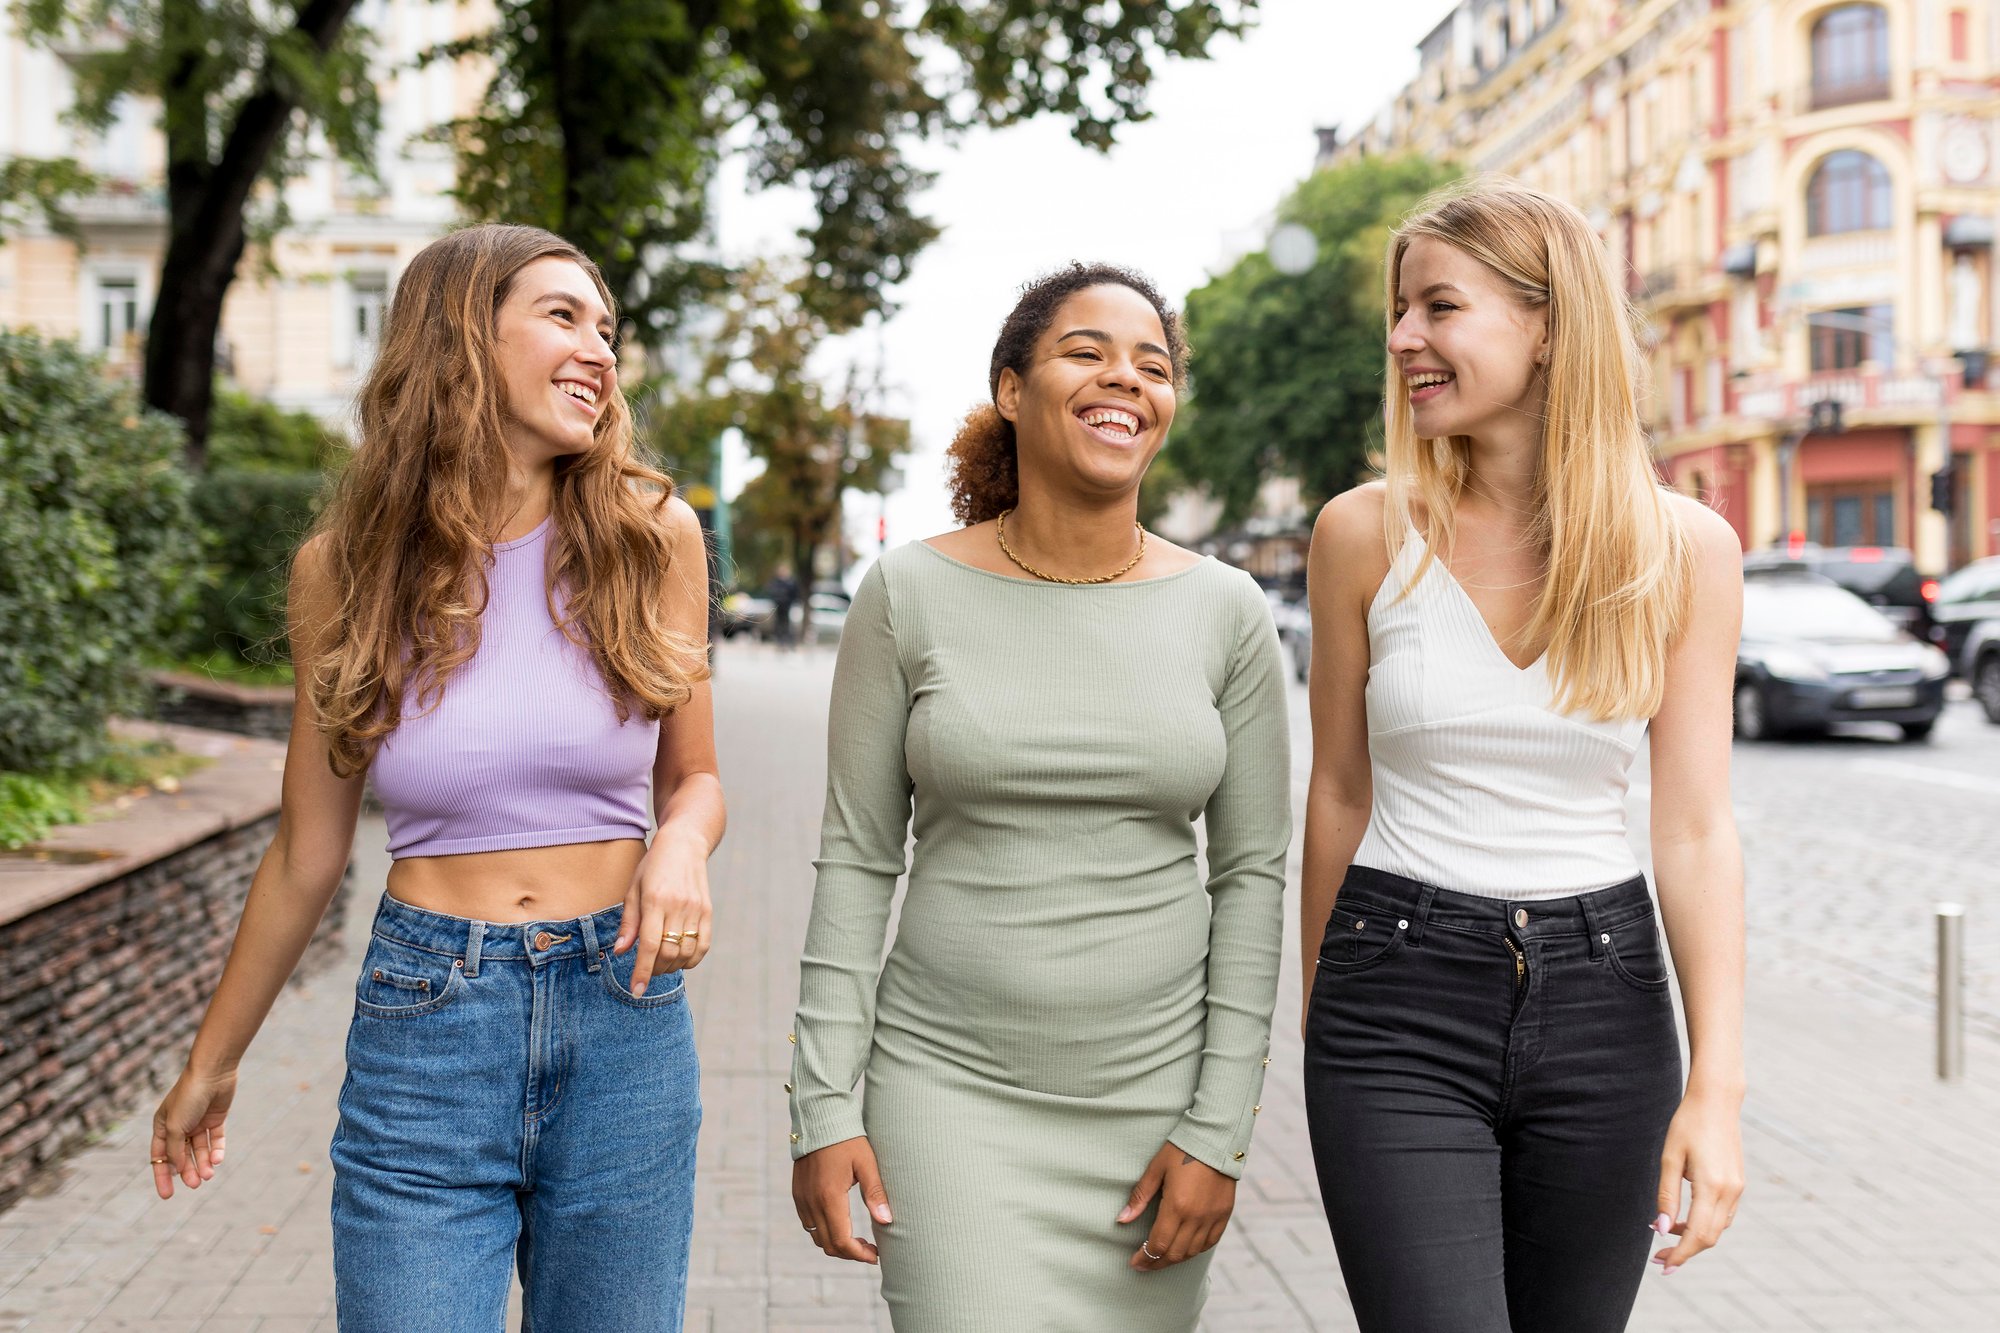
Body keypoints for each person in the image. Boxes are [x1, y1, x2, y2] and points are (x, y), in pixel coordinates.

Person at [147, 224, 724, 1332]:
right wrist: (214, 1061)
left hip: (623, 1014)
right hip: (427, 1023)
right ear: (463, 336)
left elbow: (694, 777)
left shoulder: (653, 535)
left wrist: (683, 846)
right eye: (562, 316)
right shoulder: (345, 569)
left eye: (606, 328)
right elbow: (306, 849)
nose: (599, 349)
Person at [787, 263, 1290, 1331]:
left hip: (1154, 1108)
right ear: (1010, 389)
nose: (1125, 378)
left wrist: (1220, 1128)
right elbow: (857, 857)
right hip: (947, 1091)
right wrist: (821, 1103)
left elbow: (1252, 879)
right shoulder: (907, 592)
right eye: (1086, 352)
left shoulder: (1229, 610)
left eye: (1152, 365)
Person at [1299, 178, 1746, 1332]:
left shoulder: (1682, 550)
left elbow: (1694, 826)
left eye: (1438, 307)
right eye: (1399, 311)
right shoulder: (1359, 533)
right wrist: (1317, 1013)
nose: (1402, 338)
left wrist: (1716, 1088)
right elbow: (1337, 791)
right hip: (1391, 999)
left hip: (1607, 1002)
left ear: (1546, 325)